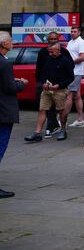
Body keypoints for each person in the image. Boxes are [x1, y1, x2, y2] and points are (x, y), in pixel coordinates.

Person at [25, 42, 74, 143]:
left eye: (52, 52)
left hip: (60, 90)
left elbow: (71, 77)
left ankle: (63, 130)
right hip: (47, 90)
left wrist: (59, 85)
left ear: (58, 50)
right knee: (42, 109)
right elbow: (43, 74)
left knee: (61, 111)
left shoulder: (65, 61)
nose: (50, 53)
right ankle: (37, 133)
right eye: (49, 51)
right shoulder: (48, 60)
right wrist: (43, 83)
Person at [0, 31, 28, 198]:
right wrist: (21, 84)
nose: (13, 43)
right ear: (4, 44)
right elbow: (9, 88)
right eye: (10, 41)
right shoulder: (4, 63)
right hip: (3, 111)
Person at [65, 26, 84, 127]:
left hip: (76, 72)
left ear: (79, 33)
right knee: (77, 96)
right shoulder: (70, 42)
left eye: (75, 31)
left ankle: (62, 120)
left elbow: (82, 57)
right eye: (71, 31)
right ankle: (80, 119)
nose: (72, 33)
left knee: (68, 95)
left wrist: (69, 62)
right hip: (71, 71)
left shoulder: (81, 42)